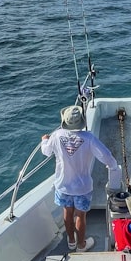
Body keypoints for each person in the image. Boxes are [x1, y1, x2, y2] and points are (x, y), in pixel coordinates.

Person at [41, 105, 120, 252]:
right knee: (80, 216)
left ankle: (71, 241)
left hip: (63, 185)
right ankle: (81, 245)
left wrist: (45, 140)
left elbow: (46, 151)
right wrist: (114, 166)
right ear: (82, 122)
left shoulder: (57, 135)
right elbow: (106, 156)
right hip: (82, 187)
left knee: (67, 212)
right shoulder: (88, 138)